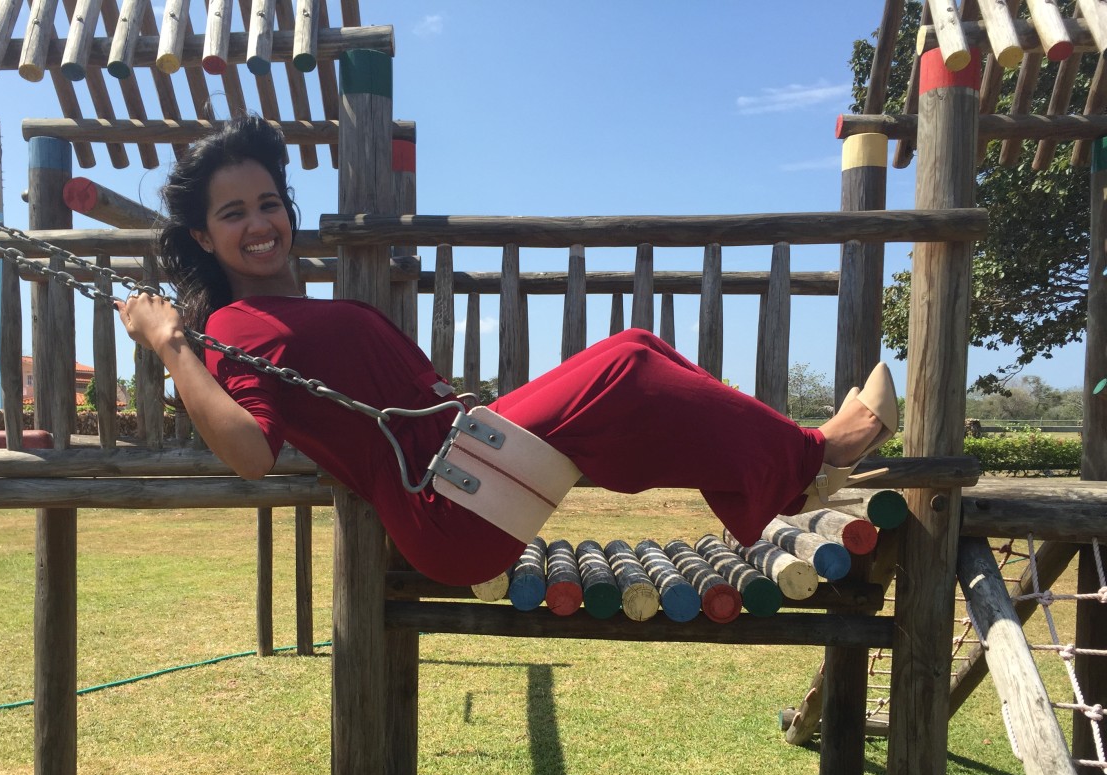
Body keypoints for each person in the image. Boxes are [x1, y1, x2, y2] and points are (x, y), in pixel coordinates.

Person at [117, 116, 895, 587]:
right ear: (202, 237)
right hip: (443, 505)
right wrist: (169, 343)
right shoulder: (236, 328)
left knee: (636, 345)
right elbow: (251, 453)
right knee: (626, 369)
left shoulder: (288, 312)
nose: (259, 224)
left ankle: (780, 484)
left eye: (268, 203)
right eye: (233, 214)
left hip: (464, 461)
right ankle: (816, 453)